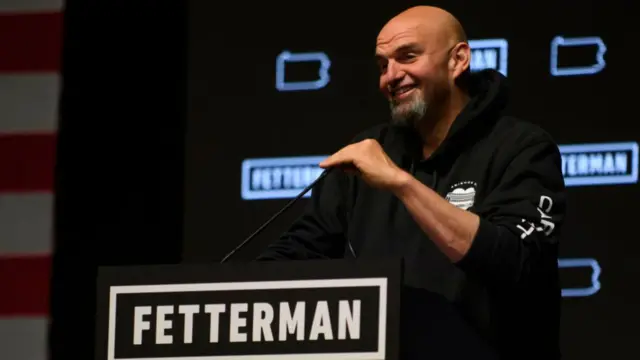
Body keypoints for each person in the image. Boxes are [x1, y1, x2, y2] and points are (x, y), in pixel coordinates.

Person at [257, 5, 566, 360]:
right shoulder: (371, 153)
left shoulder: (522, 147)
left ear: (458, 60)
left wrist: (400, 183)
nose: (391, 76)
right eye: (382, 65)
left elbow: (516, 261)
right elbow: (298, 253)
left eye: (407, 56)